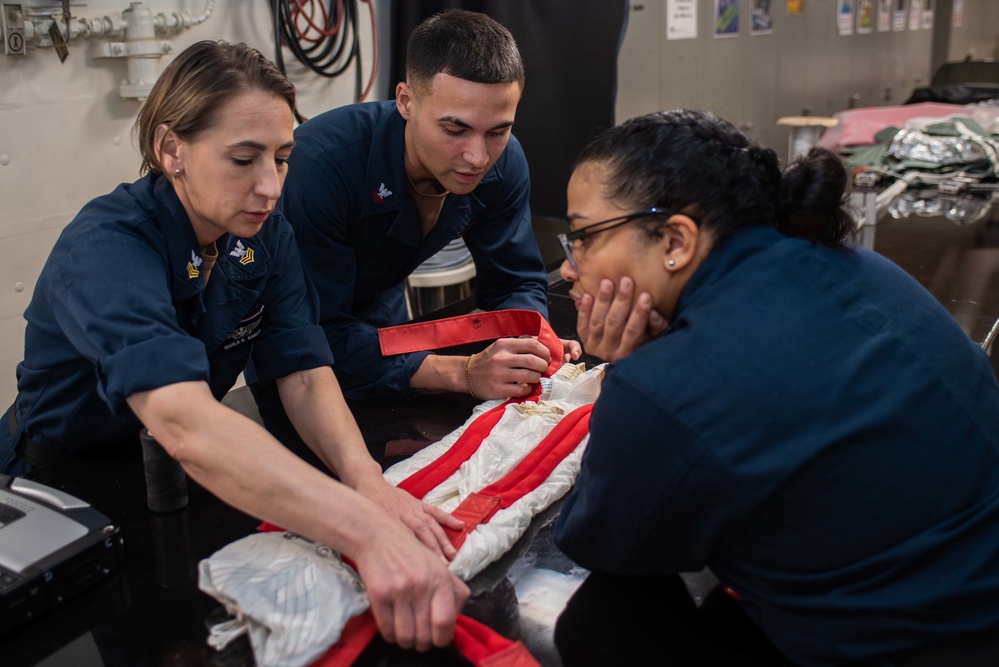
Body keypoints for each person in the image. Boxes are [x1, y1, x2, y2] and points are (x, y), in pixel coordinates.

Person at [1, 40, 468, 652]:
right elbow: (185, 420)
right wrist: (364, 532)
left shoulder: (262, 233)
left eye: (282, 158)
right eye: (244, 160)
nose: (271, 186)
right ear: (172, 150)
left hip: (174, 477)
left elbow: (301, 367)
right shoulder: (107, 247)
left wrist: (366, 483)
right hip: (61, 486)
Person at [551, 109, 999, 666]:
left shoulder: (669, 387)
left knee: (599, 623)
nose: (570, 268)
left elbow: (597, 539)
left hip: (902, 646)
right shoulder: (864, 268)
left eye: (584, 237)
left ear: (674, 239)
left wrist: (626, 368)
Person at [269, 9, 580, 403]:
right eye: (455, 129)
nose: (478, 157)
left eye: (498, 131)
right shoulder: (319, 168)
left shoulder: (506, 160)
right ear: (405, 101)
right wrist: (461, 372)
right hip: (296, 347)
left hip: (386, 319)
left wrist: (530, 341)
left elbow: (514, 281)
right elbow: (312, 333)